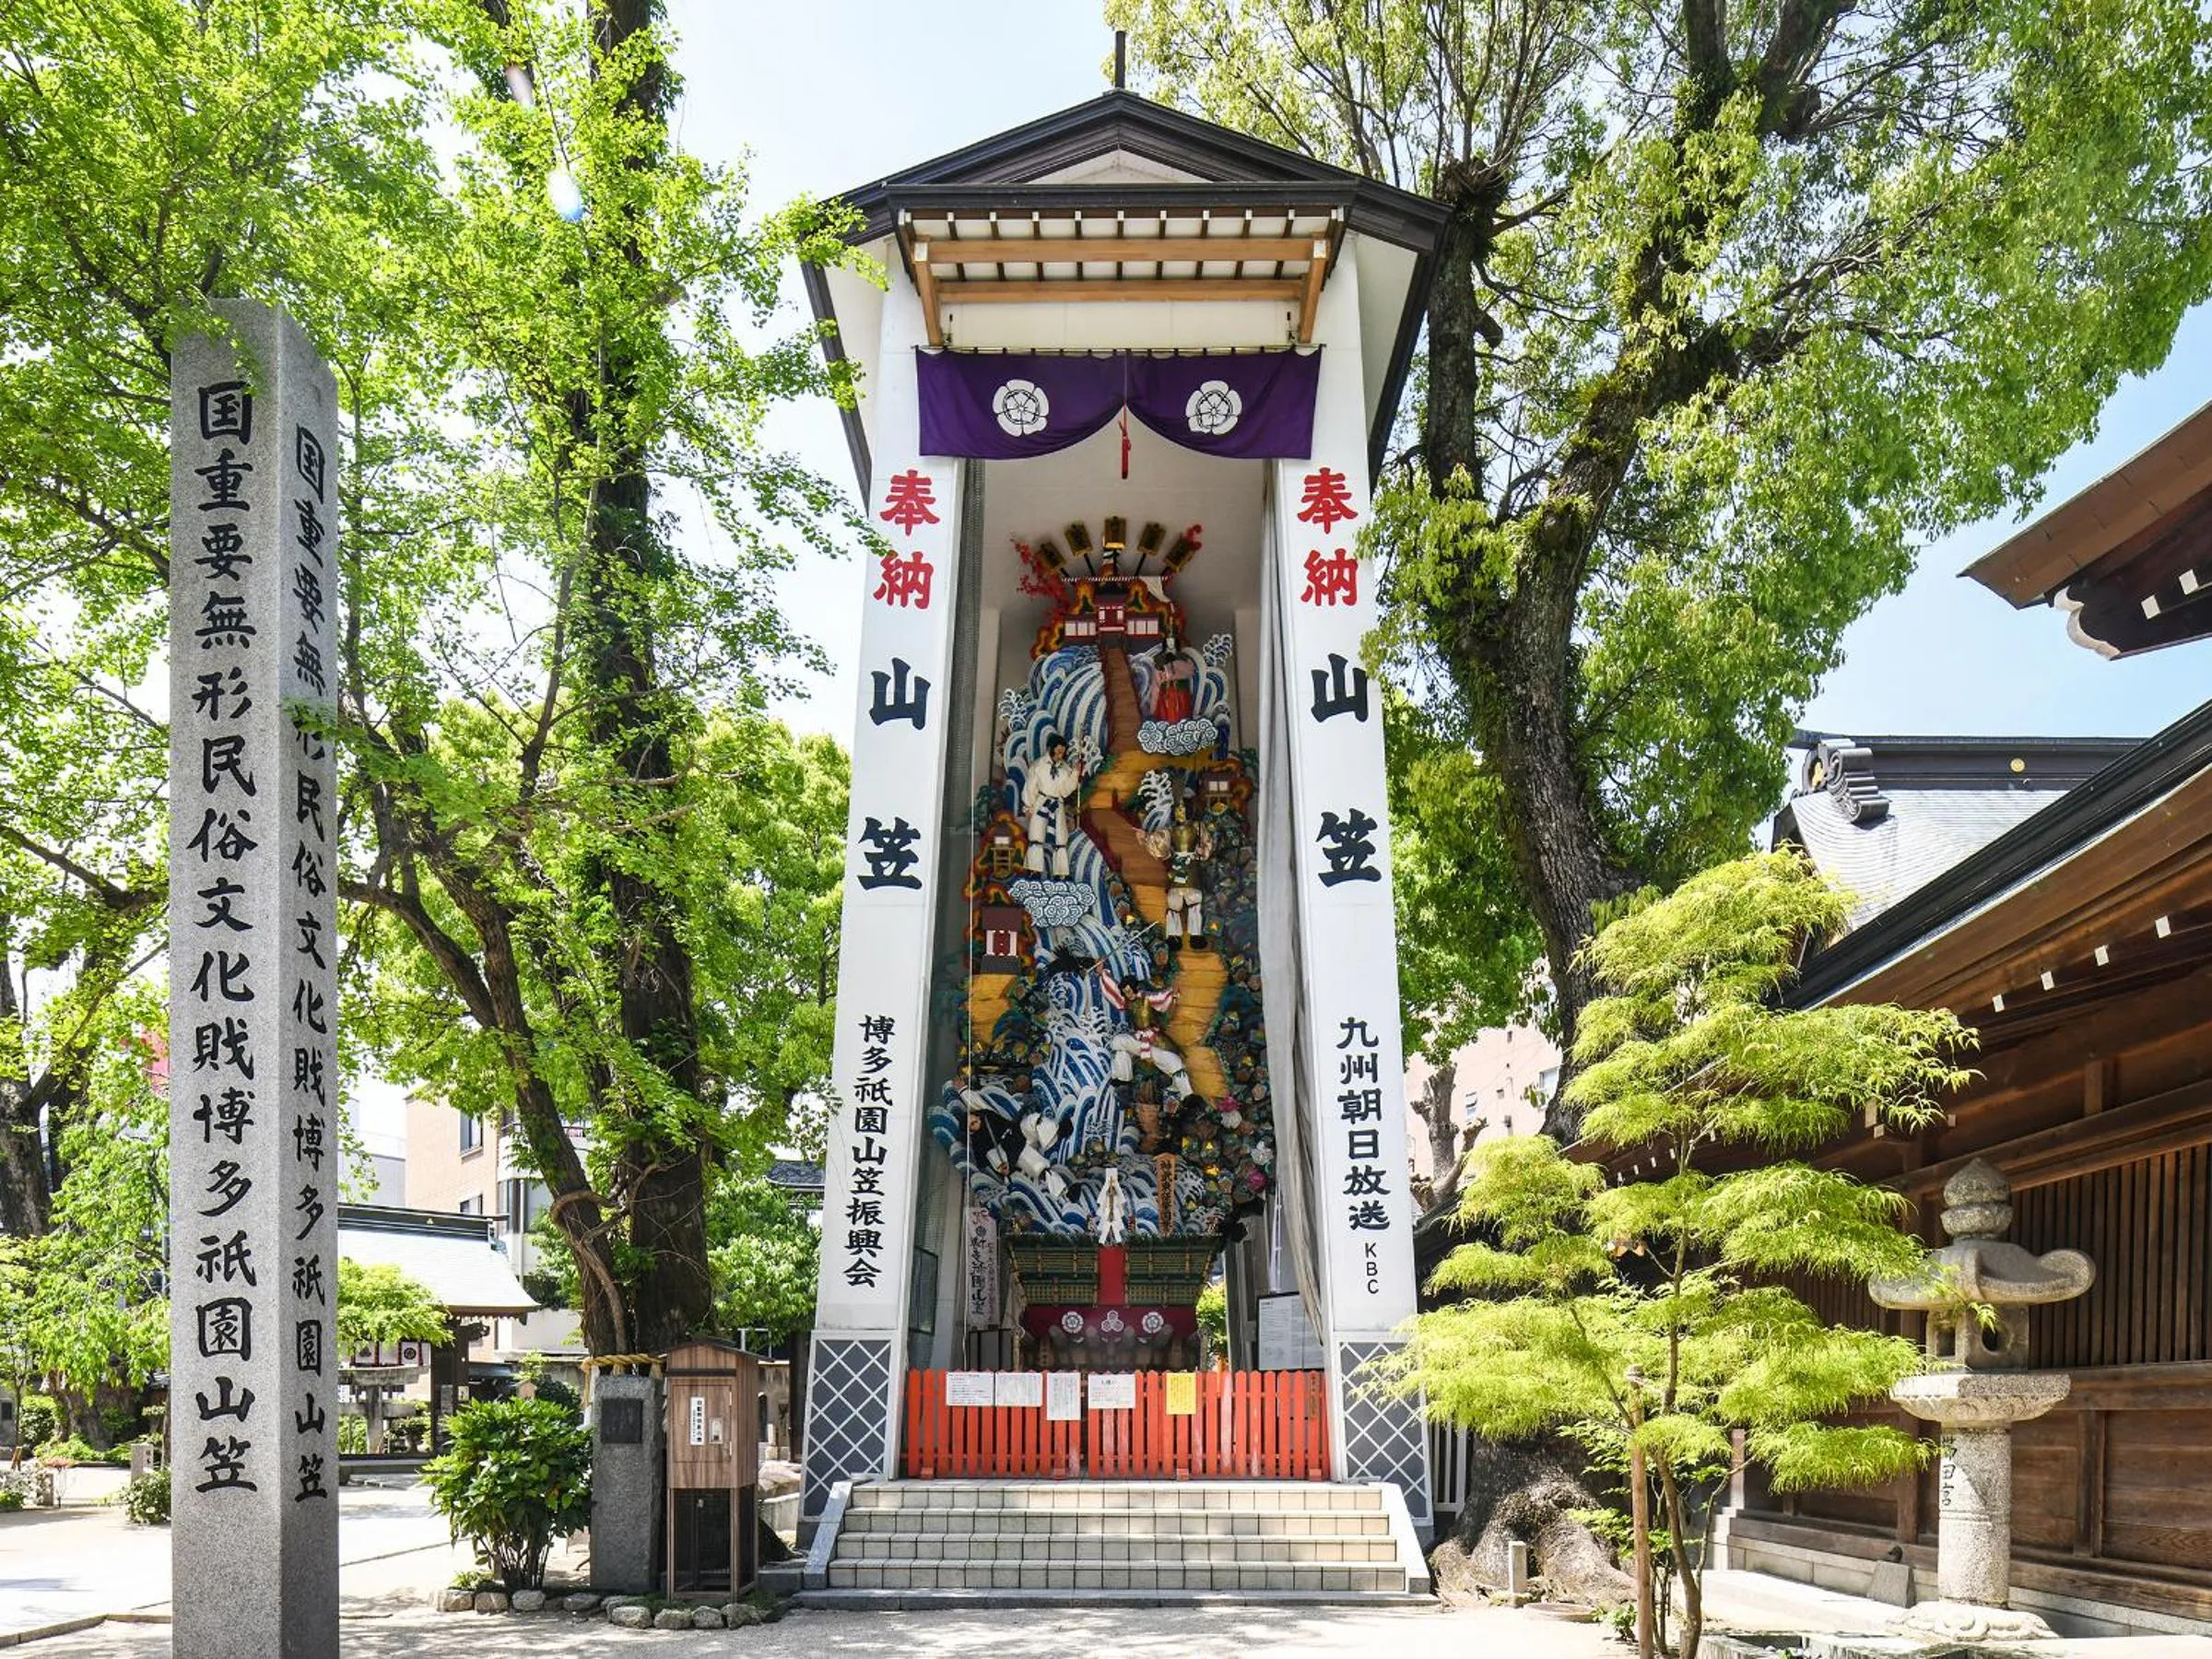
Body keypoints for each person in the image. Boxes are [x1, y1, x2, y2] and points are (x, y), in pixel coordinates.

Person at [1140, 797, 1212, 949]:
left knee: (1195, 901)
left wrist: (1202, 851)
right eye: (1178, 810)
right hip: (1177, 866)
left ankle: (1196, 935)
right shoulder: (1170, 830)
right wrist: (1147, 838)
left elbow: (1207, 843)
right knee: (1174, 902)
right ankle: (1174, 936)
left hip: (1192, 865)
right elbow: (1159, 844)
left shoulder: (1198, 827)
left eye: (1183, 810)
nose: (1180, 813)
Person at [1022, 732, 1084, 877]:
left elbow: (1065, 790)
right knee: (1036, 837)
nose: (1060, 753)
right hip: (1040, 804)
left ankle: (1061, 872)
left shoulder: (1065, 769)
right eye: (1057, 749)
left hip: (1057, 805)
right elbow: (1030, 787)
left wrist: (1075, 773)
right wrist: (1028, 806)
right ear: (1051, 748)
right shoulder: (1038, 765)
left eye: (1063, 750)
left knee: (1060, 838)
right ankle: (1034, 870)